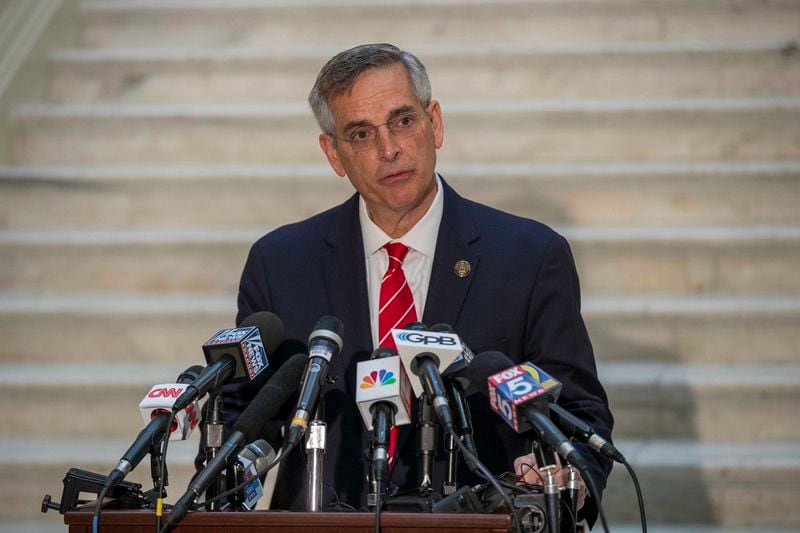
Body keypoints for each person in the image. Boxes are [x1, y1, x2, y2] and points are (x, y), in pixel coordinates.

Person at [219, 43, 614, 524]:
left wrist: (553, 480)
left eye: (403, 121)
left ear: (435, 124)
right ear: (333, 153)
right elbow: (245, 423)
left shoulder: (529, 256)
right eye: (361, 134)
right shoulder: (280, 263)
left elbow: (579, 417)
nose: (389, 150)